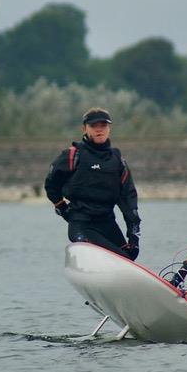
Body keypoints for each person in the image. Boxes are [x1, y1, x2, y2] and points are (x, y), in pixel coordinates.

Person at [44, 107, 141, 260]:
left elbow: (129, 200)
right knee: (117, 258)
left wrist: (134, 237)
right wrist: (61, 207)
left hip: (108, 224)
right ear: (85, 128)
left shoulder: (118, 161)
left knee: (128, 257)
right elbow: (51, 184)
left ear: (109, 128)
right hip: (81, 224)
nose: (99, 130)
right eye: (93, 126)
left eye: (103, 126)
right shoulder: (72, 155)